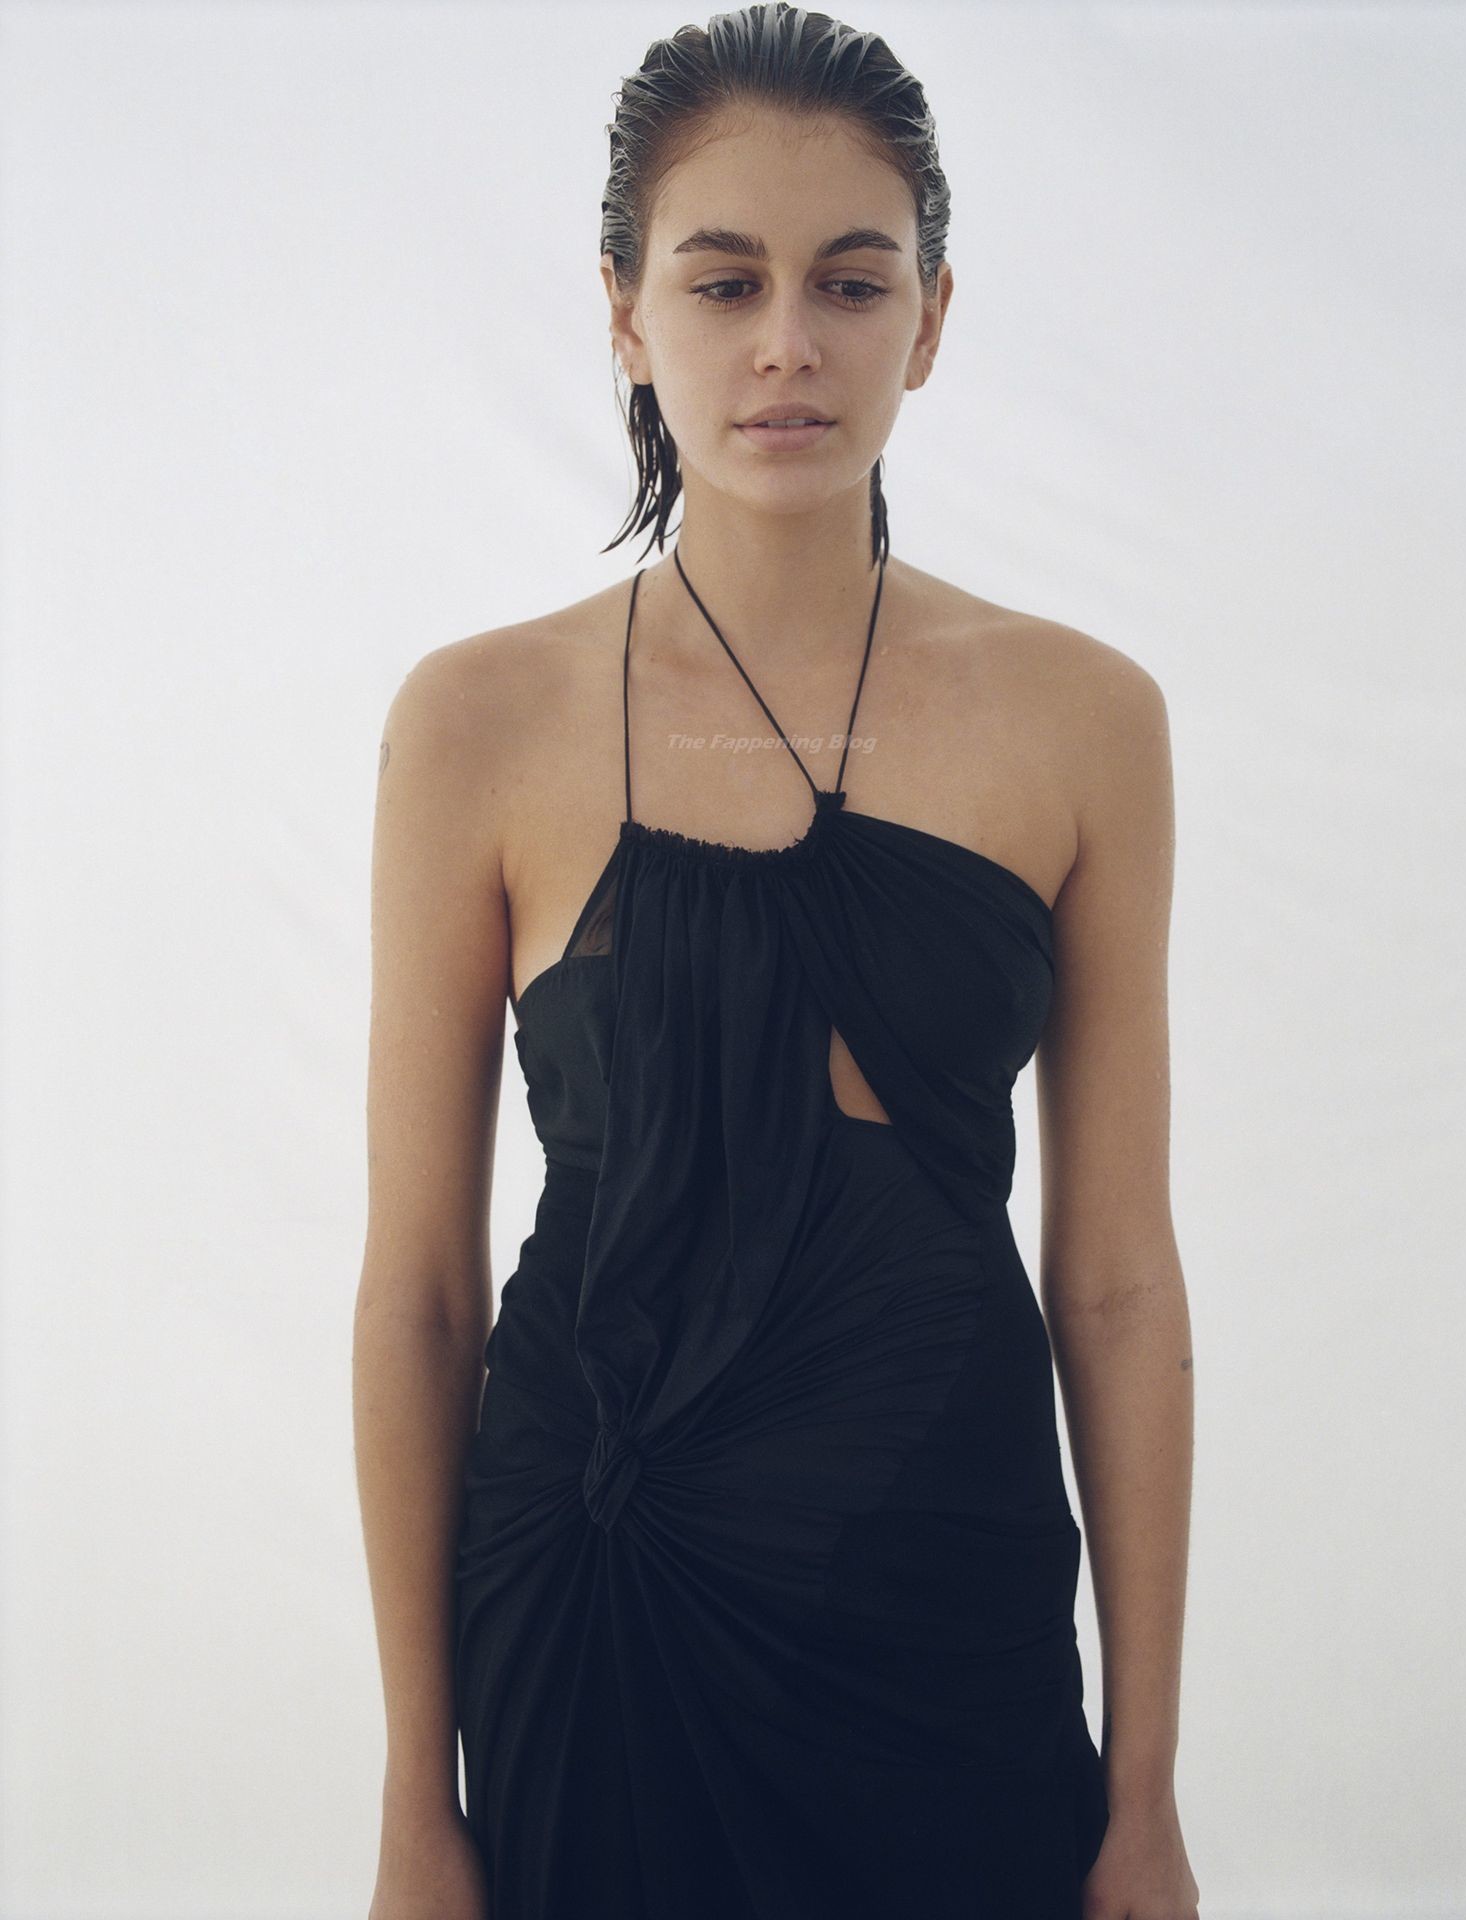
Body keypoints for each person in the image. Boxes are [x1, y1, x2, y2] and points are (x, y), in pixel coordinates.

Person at [354, 7, 1200, 1918]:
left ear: (932, 317)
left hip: (948, 1588)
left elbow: (1118, 1280)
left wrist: (1143, 1793)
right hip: (596, 1602)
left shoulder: (1086, 717)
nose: (787, 345)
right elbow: (417, 1292)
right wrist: (415, 1806)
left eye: (850, 281)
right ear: (625, 312)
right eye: (724, 281)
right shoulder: (477, 721)